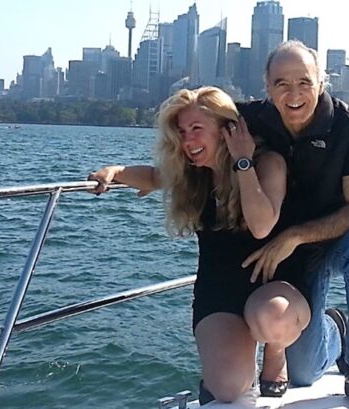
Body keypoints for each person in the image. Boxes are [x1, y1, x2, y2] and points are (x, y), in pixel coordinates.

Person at [88, 87, 311, 403]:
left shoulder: (268, 163)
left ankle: (278, 349)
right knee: (228, 388)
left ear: (227, 130)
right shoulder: (193, 174)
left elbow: (262, 226)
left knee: (271, 319)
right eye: (181, 131)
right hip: (219, 291)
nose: (188, 140)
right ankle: (238, 353)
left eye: (196, 129)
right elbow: (153, 177)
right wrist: (115, 172)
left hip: (273, 285)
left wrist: (242, 162)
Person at [237, 41, 349, 408]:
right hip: (286, 260)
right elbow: (194, 135)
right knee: (304, 373)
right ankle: (336, 327)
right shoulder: (250, 120)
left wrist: (294, 236)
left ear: (322, 82)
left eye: (304, 82)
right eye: (281, 84)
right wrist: (125, 173)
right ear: (267, 87)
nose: (293, 94)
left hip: (334, 243)